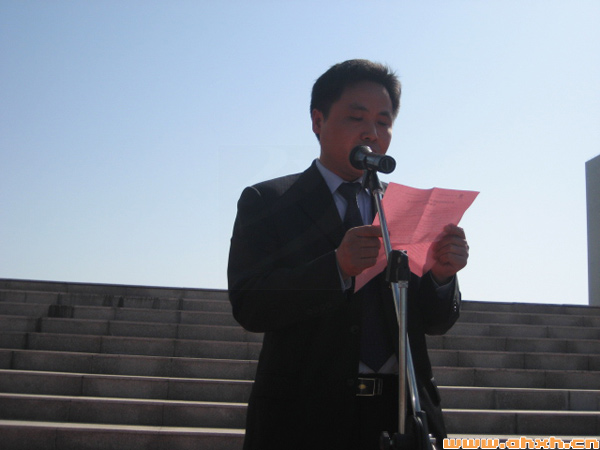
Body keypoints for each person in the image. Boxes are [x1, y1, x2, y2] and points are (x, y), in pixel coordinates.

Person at [227, 59, 469, 450]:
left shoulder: (403, 209)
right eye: (356, 117)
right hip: (305, 416)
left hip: (401, 413)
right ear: (318, 121)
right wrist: (336, 268)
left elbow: (434, 321)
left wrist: (441, 276)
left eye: (383, 122)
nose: (371, 132)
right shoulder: (269, 201)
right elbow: (249, 304)